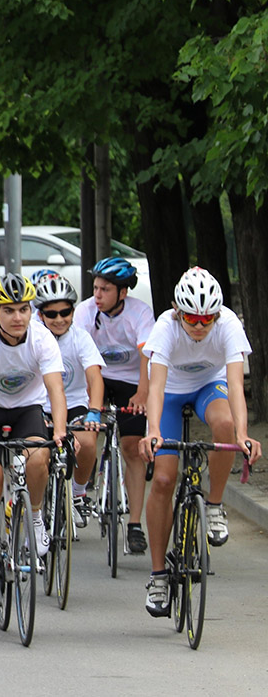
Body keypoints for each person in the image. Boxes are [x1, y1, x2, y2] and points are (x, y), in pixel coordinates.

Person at [138, 267, 262, 617]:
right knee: (163, 478)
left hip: (210, 385)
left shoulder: (228, 326)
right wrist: (153, 432)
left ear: (217, 315)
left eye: (207, 319)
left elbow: (236, 386)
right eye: (191, 318)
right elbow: (157, 388)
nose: (199, 326)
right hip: (172, 393)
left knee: (224, 425)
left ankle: (214, 504)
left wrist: (242, 434)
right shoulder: (165, 327)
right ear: (178, 312)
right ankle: (159, 575)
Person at [0, 273, 68, 603]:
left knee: (39, 456)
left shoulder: (41, 338)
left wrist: (61, 431)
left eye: (23, 309)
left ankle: (35, 517)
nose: (18, 317)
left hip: (26, 408)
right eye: (9, 310)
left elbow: (55, 389)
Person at [75, 256, 155, 553]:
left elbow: (147, 355)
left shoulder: (140, 312)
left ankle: (134, 524)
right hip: (95, 375)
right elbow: (80, 355)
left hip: (131, 381)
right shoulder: (84, 312)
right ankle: (80, 490)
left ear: (123, 292)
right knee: (86, 433)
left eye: (105, 289)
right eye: (95, 288)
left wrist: (143, 394)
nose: (97, 295)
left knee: (133, 446)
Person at [33, 274, 105, 527]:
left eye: (66, 312)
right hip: (38, 403)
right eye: (52, 314)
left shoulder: (80, 336)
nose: (60, 319)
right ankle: (31, 506)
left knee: (86, 441)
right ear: (40, 314)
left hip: (73, 401)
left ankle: (78, 492)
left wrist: (94, 411)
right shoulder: (31, 335)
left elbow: (94, 376)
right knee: (35, 452)